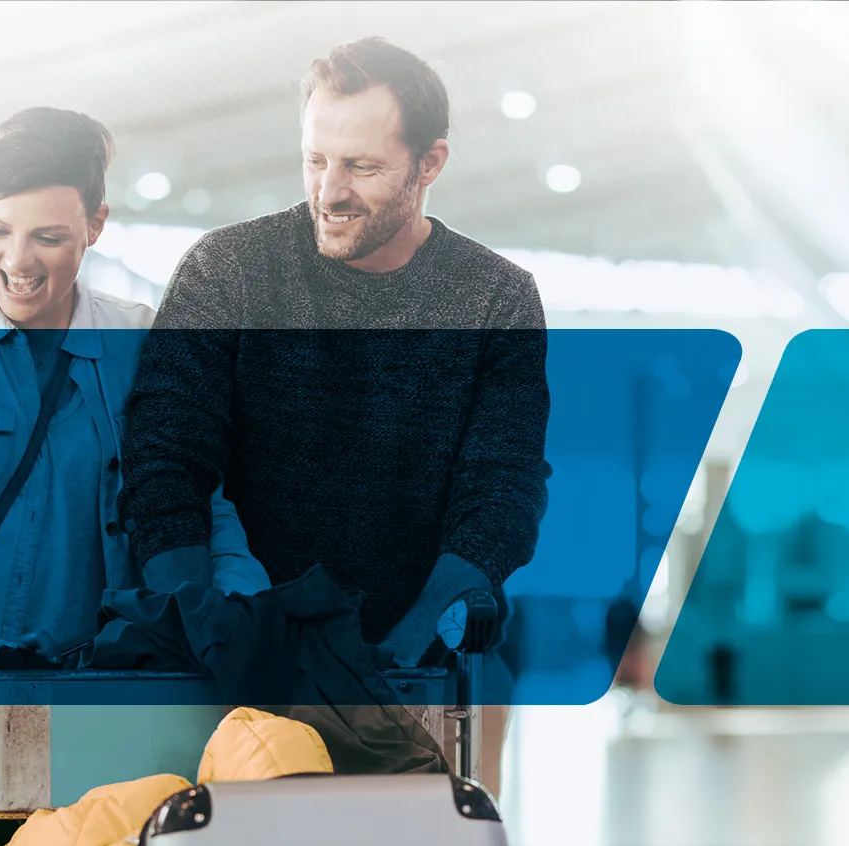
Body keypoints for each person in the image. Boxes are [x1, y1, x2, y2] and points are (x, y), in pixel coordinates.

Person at [117, 37, 550, 796]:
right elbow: (163, 462)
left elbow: (502, 490)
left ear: (430, 164)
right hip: (239, 674)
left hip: (414, 676)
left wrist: (410, 651)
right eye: (316, 160)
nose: (331, 190)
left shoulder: (495, 300)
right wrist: (201, 628)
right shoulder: (229, 272)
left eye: (363, 166)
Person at [0, 107, 268, 685]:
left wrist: (244, 611)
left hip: (114, 687)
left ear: (95, 225)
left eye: (47, 238)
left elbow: (203, 503)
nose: (17, 262)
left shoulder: (142, 341)